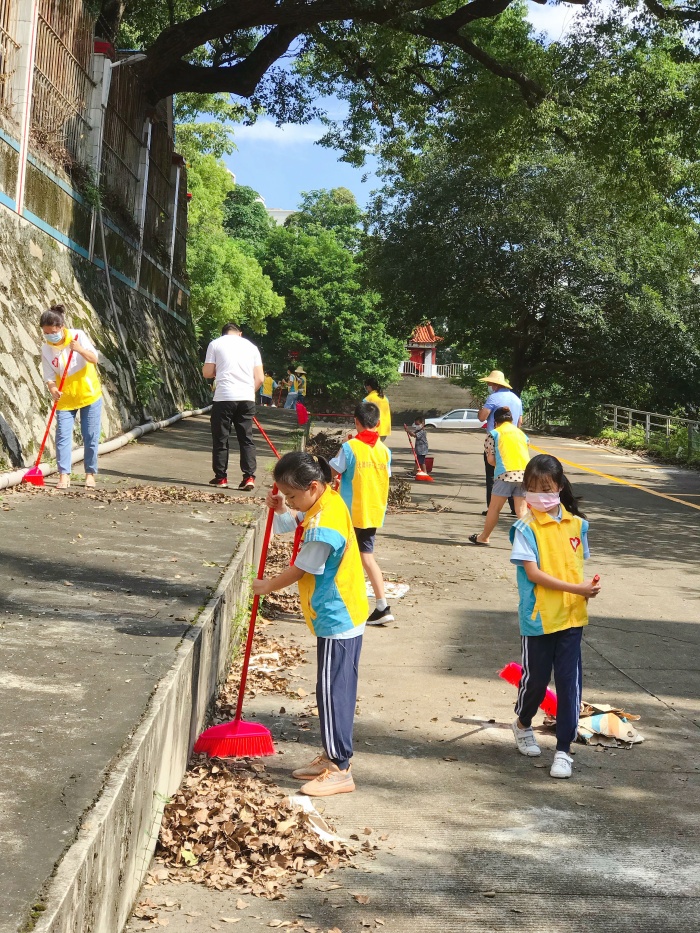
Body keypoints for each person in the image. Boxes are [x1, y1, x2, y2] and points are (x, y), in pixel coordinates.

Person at [252, 451, 368, 797]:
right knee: (333, 689)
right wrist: (282, 510)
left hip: (337, 615)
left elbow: (302, 568)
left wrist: (267, 586)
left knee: (333, 693)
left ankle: (340, 768)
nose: (289, 501)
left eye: (292, 495)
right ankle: (332, 757)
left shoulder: (325, 525)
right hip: (340, 611)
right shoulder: (325, 501)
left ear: (313, 486)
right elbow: (297, 522)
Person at [509, 454, 601, 779]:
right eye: (532, 489)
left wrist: (588, 588)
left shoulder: (578, 526)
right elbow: (533, 574)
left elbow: (575, 566)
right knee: (535, 681)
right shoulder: (525, 528)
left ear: (560, 487)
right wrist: (578, 589)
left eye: (546, 489)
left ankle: (563, 750)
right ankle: (523, 723)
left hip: (572, 618)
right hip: (538, 620)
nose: (539, 495)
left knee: (568, 683)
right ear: (525, 489)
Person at [330, 401, 393, 626]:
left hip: (350, 513)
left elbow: (332, 471)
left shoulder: (350, 447)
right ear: (378, 423)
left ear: (356, 421)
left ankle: (340, 605)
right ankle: (382, 605)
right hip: (372, 513)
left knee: (339, 559)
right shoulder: (385, 451)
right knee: (367, 557)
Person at [39, 305, 102, 490]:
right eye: (46, 333)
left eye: (52, 332)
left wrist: (80, 349)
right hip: (65, 398)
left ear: (61, 327)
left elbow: (94, 359)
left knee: (90, 435)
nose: (50, 336)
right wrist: (53, 390)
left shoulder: (77, 336)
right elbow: (49, 377)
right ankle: (64, 474)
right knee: (62, 437)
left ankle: (90, 474)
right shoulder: (46, 349)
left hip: (88, 394)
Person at [202, 322, 263, 490]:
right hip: (246, 398)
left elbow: (207, 373)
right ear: (240, 333)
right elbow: (260, 378)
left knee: (221, 438)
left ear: (223, 333)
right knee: (246, 439)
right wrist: (248, 392)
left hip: (224, 397)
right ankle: (249, 477)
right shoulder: (252, 347)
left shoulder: (215, 344)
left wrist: (218, 370)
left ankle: (221, 478)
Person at [468, 407, 529, 545]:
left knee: (494, 508)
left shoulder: (494, 434)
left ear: (495, 422)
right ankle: (529, 541)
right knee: (522, 510)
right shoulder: (522, 434)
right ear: (511, 420)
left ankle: (484, 537)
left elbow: (491, 460)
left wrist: (500, 465)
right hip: (525, 475)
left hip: (505, 474)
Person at [477, 370, 523, 516]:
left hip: (496, 440)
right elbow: (520, 422)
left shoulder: (493, 397)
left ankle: (492, 508)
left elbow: (482, 417)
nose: (489, 386)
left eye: (490, 383)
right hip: (513, 441)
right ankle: (515, 508)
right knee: (511, 472)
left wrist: (480, 411)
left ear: (495, 384)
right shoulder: (516, 399)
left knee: (492, 475)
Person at [363, 377, 391, 441]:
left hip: (372, 429)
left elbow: (362, 414)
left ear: (369, 386)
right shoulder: (385, 398)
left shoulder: (367, 399)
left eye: (366, 386)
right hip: (384, 429)